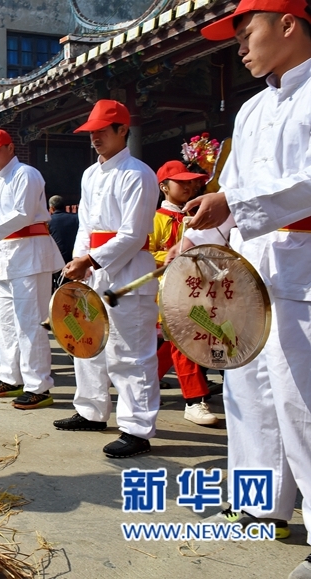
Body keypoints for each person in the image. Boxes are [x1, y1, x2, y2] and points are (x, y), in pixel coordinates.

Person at [184, 4, 311, 569]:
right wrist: (199, 243)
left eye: (245, 31)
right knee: (249, 390)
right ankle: (264, 506)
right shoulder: (252, 108)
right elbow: (229, 195)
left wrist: (233, 204)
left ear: (288, 22)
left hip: (303, 265)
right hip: (251, 270)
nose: (239, 45)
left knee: (301, 400)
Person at [54, 100, 160, 458]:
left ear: (122, 130)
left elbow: (133, 233)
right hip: (92, 268)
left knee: (130, 352)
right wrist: (77, 262)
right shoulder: (90, 175)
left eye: (102, 131)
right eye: (91, 132)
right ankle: (90, 409)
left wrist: (90, 259)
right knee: (86, 341)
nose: (95, 138)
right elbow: (85, 225)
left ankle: (136, 428)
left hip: (128, 268)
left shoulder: (139, 174)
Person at [0, 130, 64, 406]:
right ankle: (11, 377)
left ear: (11, 147)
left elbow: (21, 214)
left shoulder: (26, 174)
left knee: (30, 322)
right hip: (7, 257)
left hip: (30, 254)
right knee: (7, 323)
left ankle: (39, 385)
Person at [148, 160, 218, 427]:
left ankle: (147, 384)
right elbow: (147, 251)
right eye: (182, 182)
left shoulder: (203, 214)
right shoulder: (155, 218)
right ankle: (194, 399)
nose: (189, 186)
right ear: (164, 186)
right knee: (185, 340)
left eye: (192, 181)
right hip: (169, 292)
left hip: (200, 290)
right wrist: (175, 257)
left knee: (177, 342)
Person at [48, 195, 78, 290]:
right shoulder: (76, 218)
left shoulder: (49, 222)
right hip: (75, 260)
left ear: (52, 208)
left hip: (58, 263)